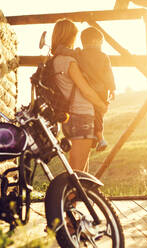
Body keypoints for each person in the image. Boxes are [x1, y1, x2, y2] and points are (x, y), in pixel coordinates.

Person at [50, 19, 109, 172]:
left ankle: (79, 196)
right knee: (77, 174)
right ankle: (70, 196)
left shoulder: (55, 60)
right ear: (70, 37)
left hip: (70, 117)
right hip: (82, 116)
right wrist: (101, 105)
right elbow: (86, 89)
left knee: (81, 171)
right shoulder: (69, 61)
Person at [55, 26, 116, 152]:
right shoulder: (104, 56)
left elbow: (67, 51)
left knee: (94, 113)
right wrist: (112, 89)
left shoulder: (79, 54)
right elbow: (109, 74)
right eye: (100, 43)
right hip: (100, 90)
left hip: (88, 88)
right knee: (98, 114)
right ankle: (99, 137)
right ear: (96, 42)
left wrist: (58, 48)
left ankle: (98, 138)